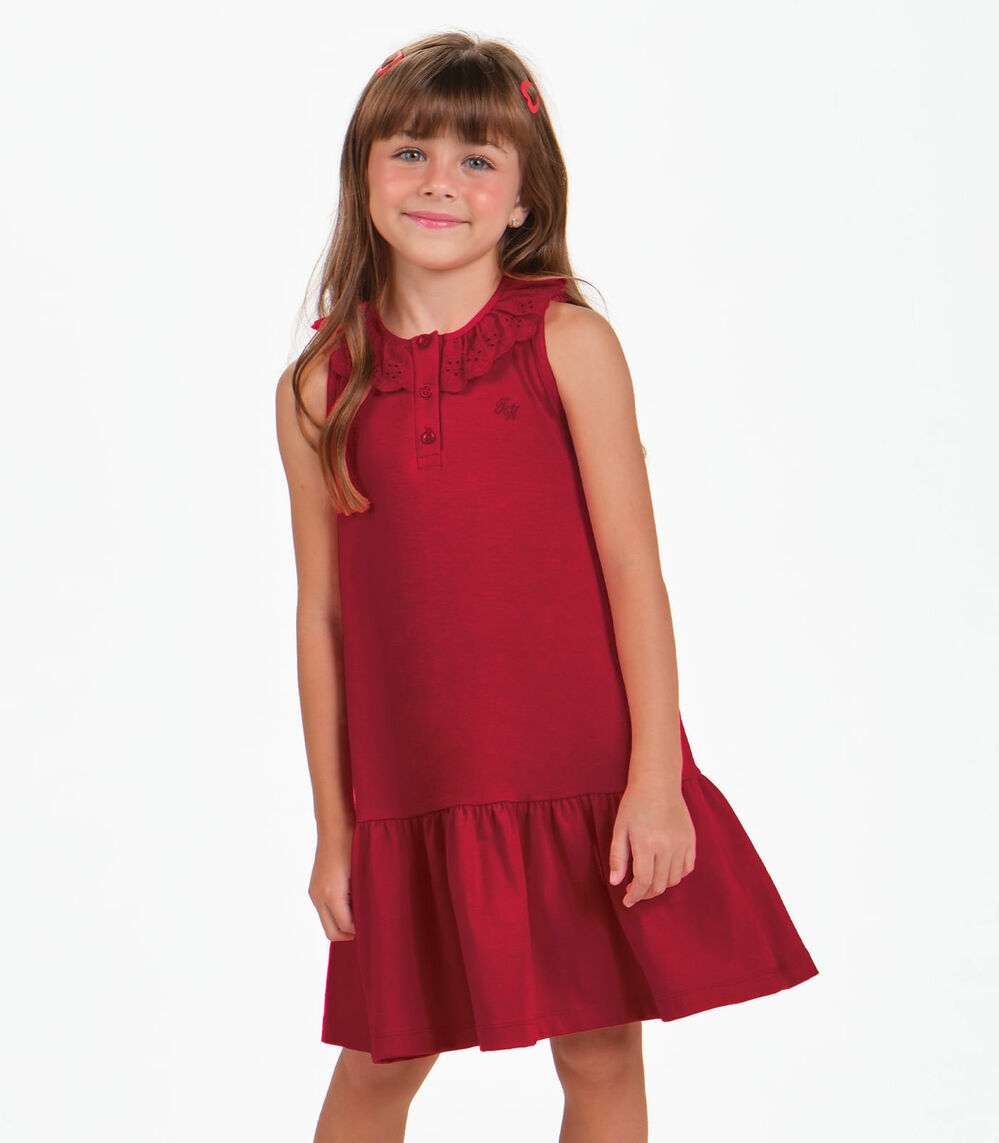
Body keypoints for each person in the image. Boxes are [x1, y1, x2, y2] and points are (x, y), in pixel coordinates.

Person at [276, 31, 819, 1143]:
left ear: (524, 199)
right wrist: (335, 828)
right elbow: (322, 618)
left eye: (477, 160)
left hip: (579, 771)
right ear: (363, 174)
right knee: (380, 1063)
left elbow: (633, 574)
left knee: (601, 1049)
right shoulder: (320, 385)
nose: (440, 181)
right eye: (411, 152)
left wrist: (655, 782)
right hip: (412, 787)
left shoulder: (569, 344)